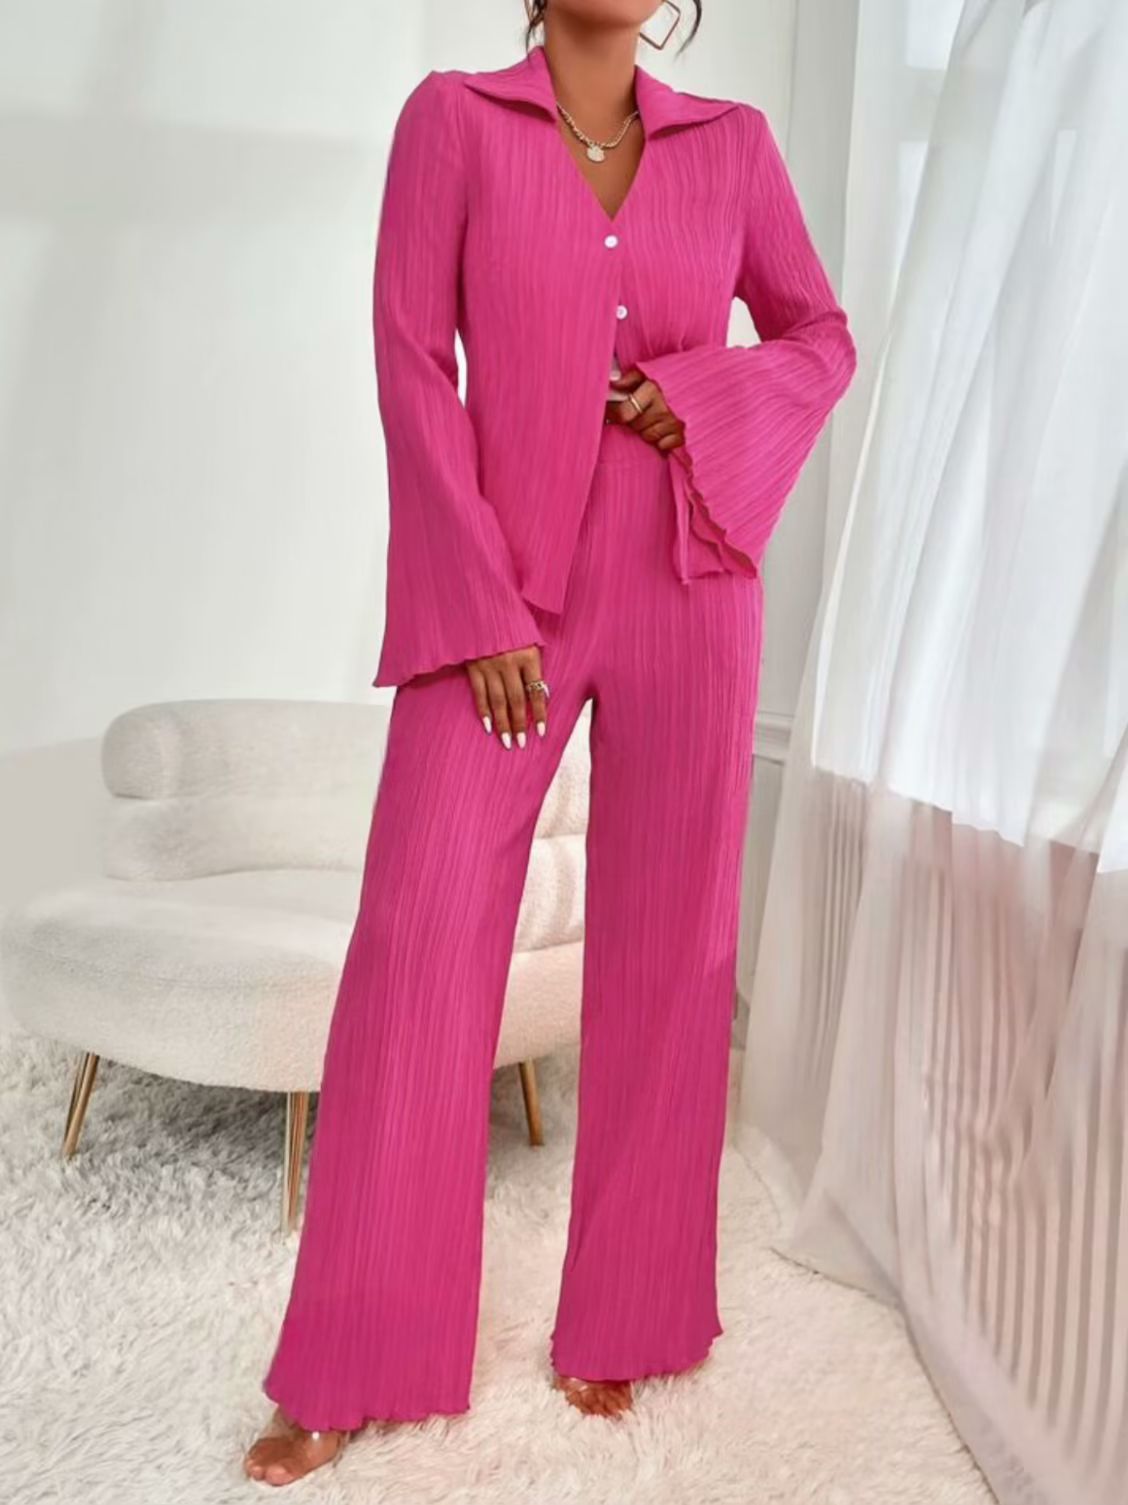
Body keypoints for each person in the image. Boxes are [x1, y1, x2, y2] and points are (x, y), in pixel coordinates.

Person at [244, 0, 855, 1486]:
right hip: (502, 600)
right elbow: (411, 362)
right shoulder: (455, 122)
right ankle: (352, 1356)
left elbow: (821, 338)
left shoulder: (733, 147)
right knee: (416, 949)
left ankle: (628, 1319)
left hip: (691, 593)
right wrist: (478, 604)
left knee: (672, 951)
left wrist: (698, 397)